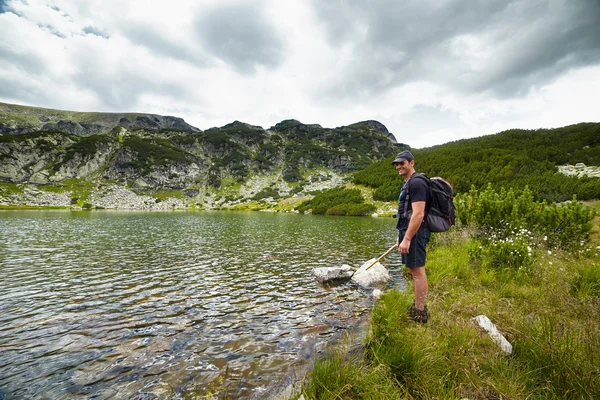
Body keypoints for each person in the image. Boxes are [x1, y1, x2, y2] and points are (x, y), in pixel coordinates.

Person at [392, 150, 430, 323]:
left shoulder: (416, 183)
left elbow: (418, 214)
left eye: (402, 163)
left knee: (417, 272)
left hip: (416, 233)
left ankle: (420, 312)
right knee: (414, 270)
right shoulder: (408, 183)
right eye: (397, 164)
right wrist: (402, 235)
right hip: (409, 232)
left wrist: (407, 238)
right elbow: (407, 214)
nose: (399, 166)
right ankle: (418, 306)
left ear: (411, 163)